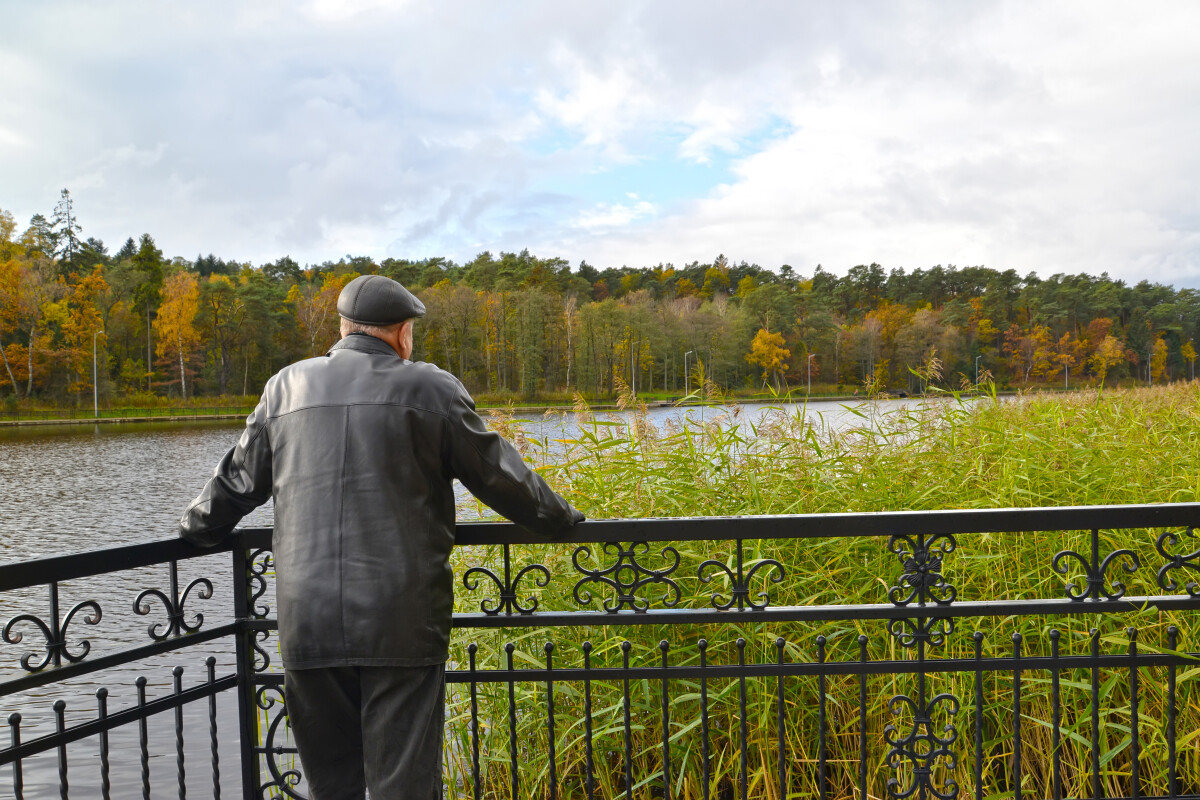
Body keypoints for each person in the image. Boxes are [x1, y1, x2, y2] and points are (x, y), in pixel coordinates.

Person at [178, 274, 585, 800]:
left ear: (345, 328)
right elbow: (499, 478)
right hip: (401, 618)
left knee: (333, 787)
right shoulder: (429, 387)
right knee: (404, 787)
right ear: (401, 334)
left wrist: (195, 529)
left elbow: (235, 483)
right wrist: (564, 520)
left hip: (309, 618)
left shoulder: (285, 386)